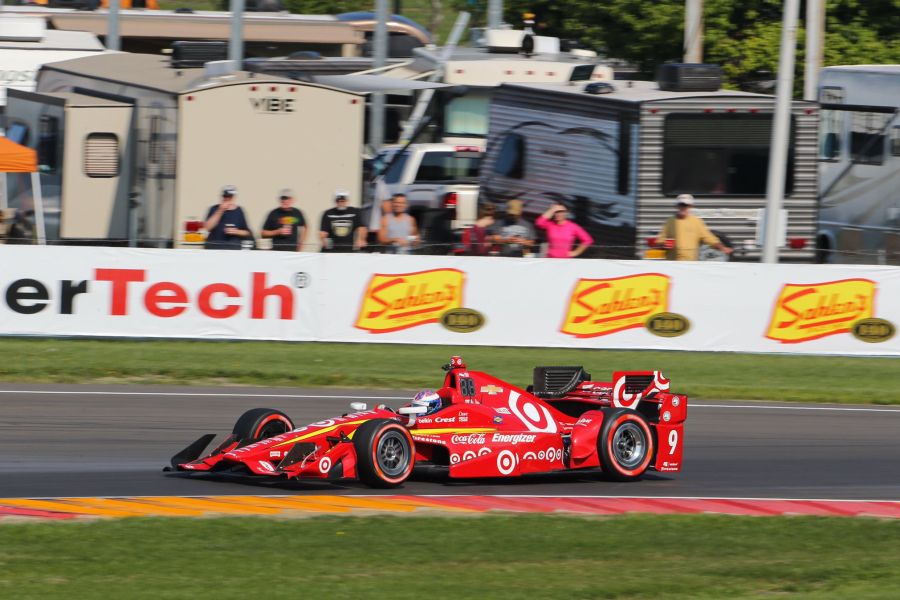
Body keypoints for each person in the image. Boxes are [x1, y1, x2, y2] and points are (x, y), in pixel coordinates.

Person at [655, 194, 733, 261]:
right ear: (677, 206)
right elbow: (660, 242)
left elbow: (709, 238)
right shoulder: (669, 221)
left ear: (690, 206)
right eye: (681, 205)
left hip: (690, 264)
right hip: (672, 263)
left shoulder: (696, 222)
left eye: (686, 205)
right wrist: (663, 246)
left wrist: (722, 248)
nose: (683, 207)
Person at [204, 185, 252, 250]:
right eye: (225, 196)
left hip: (233, 247)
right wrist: (220, 210)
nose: (227, 198)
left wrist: (236, 231)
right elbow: (207, 228)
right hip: (214, 246)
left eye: (230, 196)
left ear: (234, 197)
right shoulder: (214, 209)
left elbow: (246, 232)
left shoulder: (239, 210)